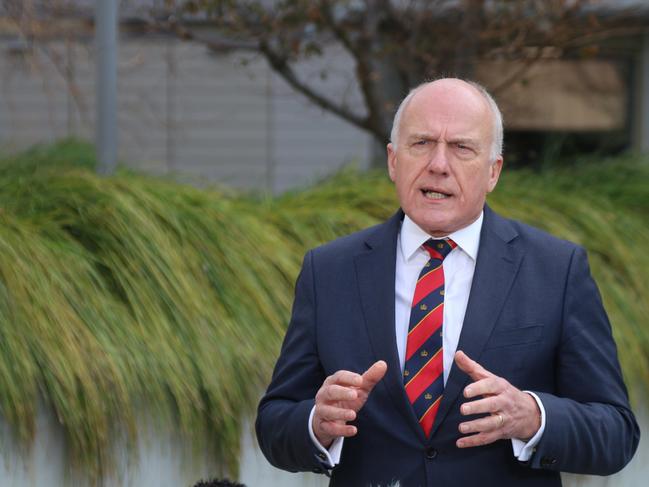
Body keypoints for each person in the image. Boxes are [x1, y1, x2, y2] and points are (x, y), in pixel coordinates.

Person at [255, 78, 640, 486]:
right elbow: (274, 423)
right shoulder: (328, 270)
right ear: (392, 160)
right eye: (421, 143)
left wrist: (532, 417)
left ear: (493, 172)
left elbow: (615, 433)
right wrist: (317, 421)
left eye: (461, 147)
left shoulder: (556, 270)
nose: (438, 164)